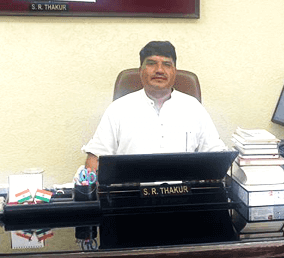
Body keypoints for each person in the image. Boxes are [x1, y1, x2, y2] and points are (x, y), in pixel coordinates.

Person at [82, 41, 225, 171]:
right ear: (140, 71)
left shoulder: (193, 108)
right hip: (131, 189)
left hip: (183, 190)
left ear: (174, 72)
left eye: (167, 64)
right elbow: (95, 159)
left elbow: (216, 155)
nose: (159, 70)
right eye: (151, 63)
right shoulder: (118, 109)